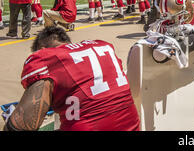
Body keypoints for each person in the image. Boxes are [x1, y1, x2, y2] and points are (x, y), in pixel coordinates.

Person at [3, 26, 140, 131]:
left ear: (42, 49)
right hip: (132, 125)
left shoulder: (45, 57)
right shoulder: (103, 45)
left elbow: (25, 123)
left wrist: (10, 121)